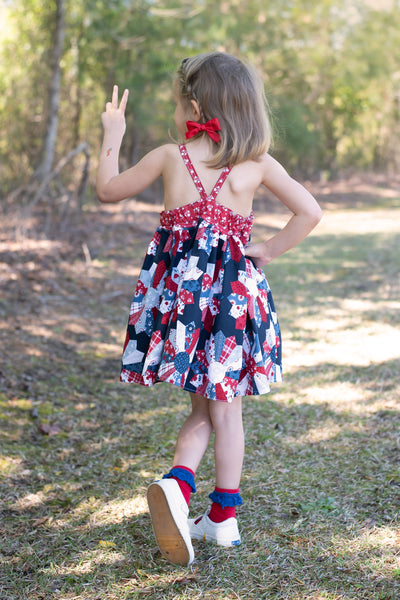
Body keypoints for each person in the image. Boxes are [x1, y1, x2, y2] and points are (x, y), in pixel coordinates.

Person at [96, 52, 322, 567]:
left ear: (194, 106)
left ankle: (179, 487)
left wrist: (114, 131)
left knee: (201, 408)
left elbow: (107, 190)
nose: (176, 114)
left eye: (178, 104)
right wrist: (266, 250)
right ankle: (221, 517)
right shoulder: (256, 164)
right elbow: (309, 211)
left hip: (183, 308)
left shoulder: (170, 156)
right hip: (232, 306)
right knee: (226, 410)